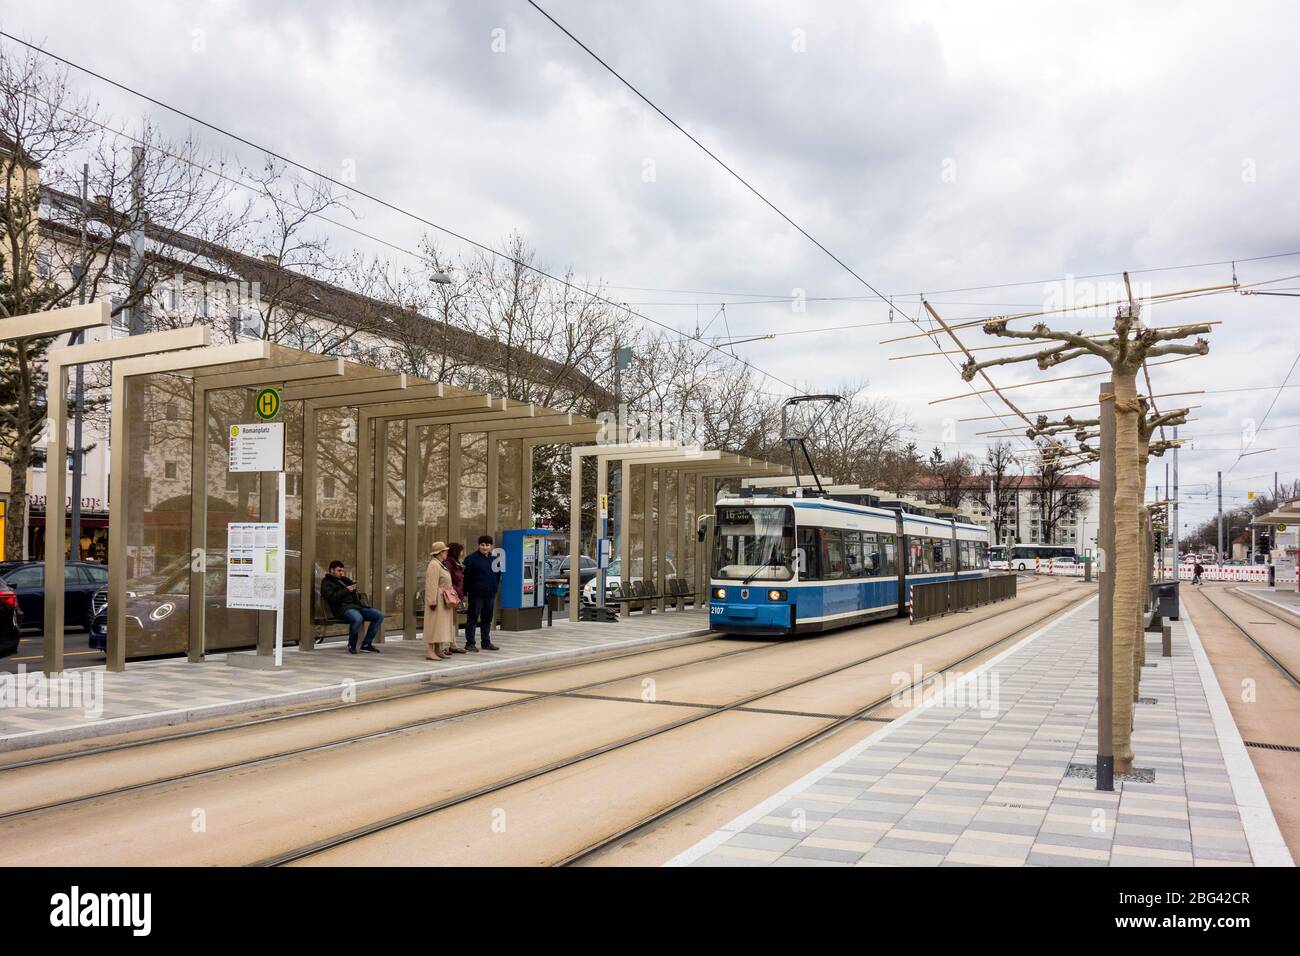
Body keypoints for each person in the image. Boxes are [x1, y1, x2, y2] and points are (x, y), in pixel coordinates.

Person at [321, 560, 383, 654]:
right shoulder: (326, 582)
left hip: (356, 606)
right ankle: (352, 644)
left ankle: (366, 644)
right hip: (342, 609)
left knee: (378, 615)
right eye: (339, 571)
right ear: (331, 570)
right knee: (358, 618)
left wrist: (353, 588)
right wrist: (346, 590)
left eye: (342, 571)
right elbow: (332, 598)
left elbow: (352, 593)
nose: (341, 573)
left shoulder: (344, 580)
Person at [462, 534, 501, 651]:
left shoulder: (495, 560)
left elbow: (497, 576)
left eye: (487, 545)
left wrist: (494, 589)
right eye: (482, 545)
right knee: (472, 619)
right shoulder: (470, 559)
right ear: (479, 545)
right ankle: (470, 643)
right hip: (476, 595)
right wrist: (465, 593)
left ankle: (486, 642)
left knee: (487, 620)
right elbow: (466, 578)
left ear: (491, 546)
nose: (485, 547)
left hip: (490, 594)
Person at [424, 542, 457, 660]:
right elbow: (431, 585)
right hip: (437, 599)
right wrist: (432, 601)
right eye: (444, 551)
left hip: (442, 598)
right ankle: (430, 650)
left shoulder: (440, 564)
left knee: (439, 626)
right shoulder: (434, 565)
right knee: (433, 625)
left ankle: (438, 649)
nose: (447, 552)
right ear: (439, 553)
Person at [442, 543, 468, 655]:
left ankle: (453, 644)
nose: (463, 553)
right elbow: (448, 580)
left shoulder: (456, 563)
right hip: (450, 596)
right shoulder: (448, 563)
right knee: (446, 622)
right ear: (456, 551)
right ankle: (443, 646)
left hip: (455, 596)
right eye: (461, 551)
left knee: (452, 622)